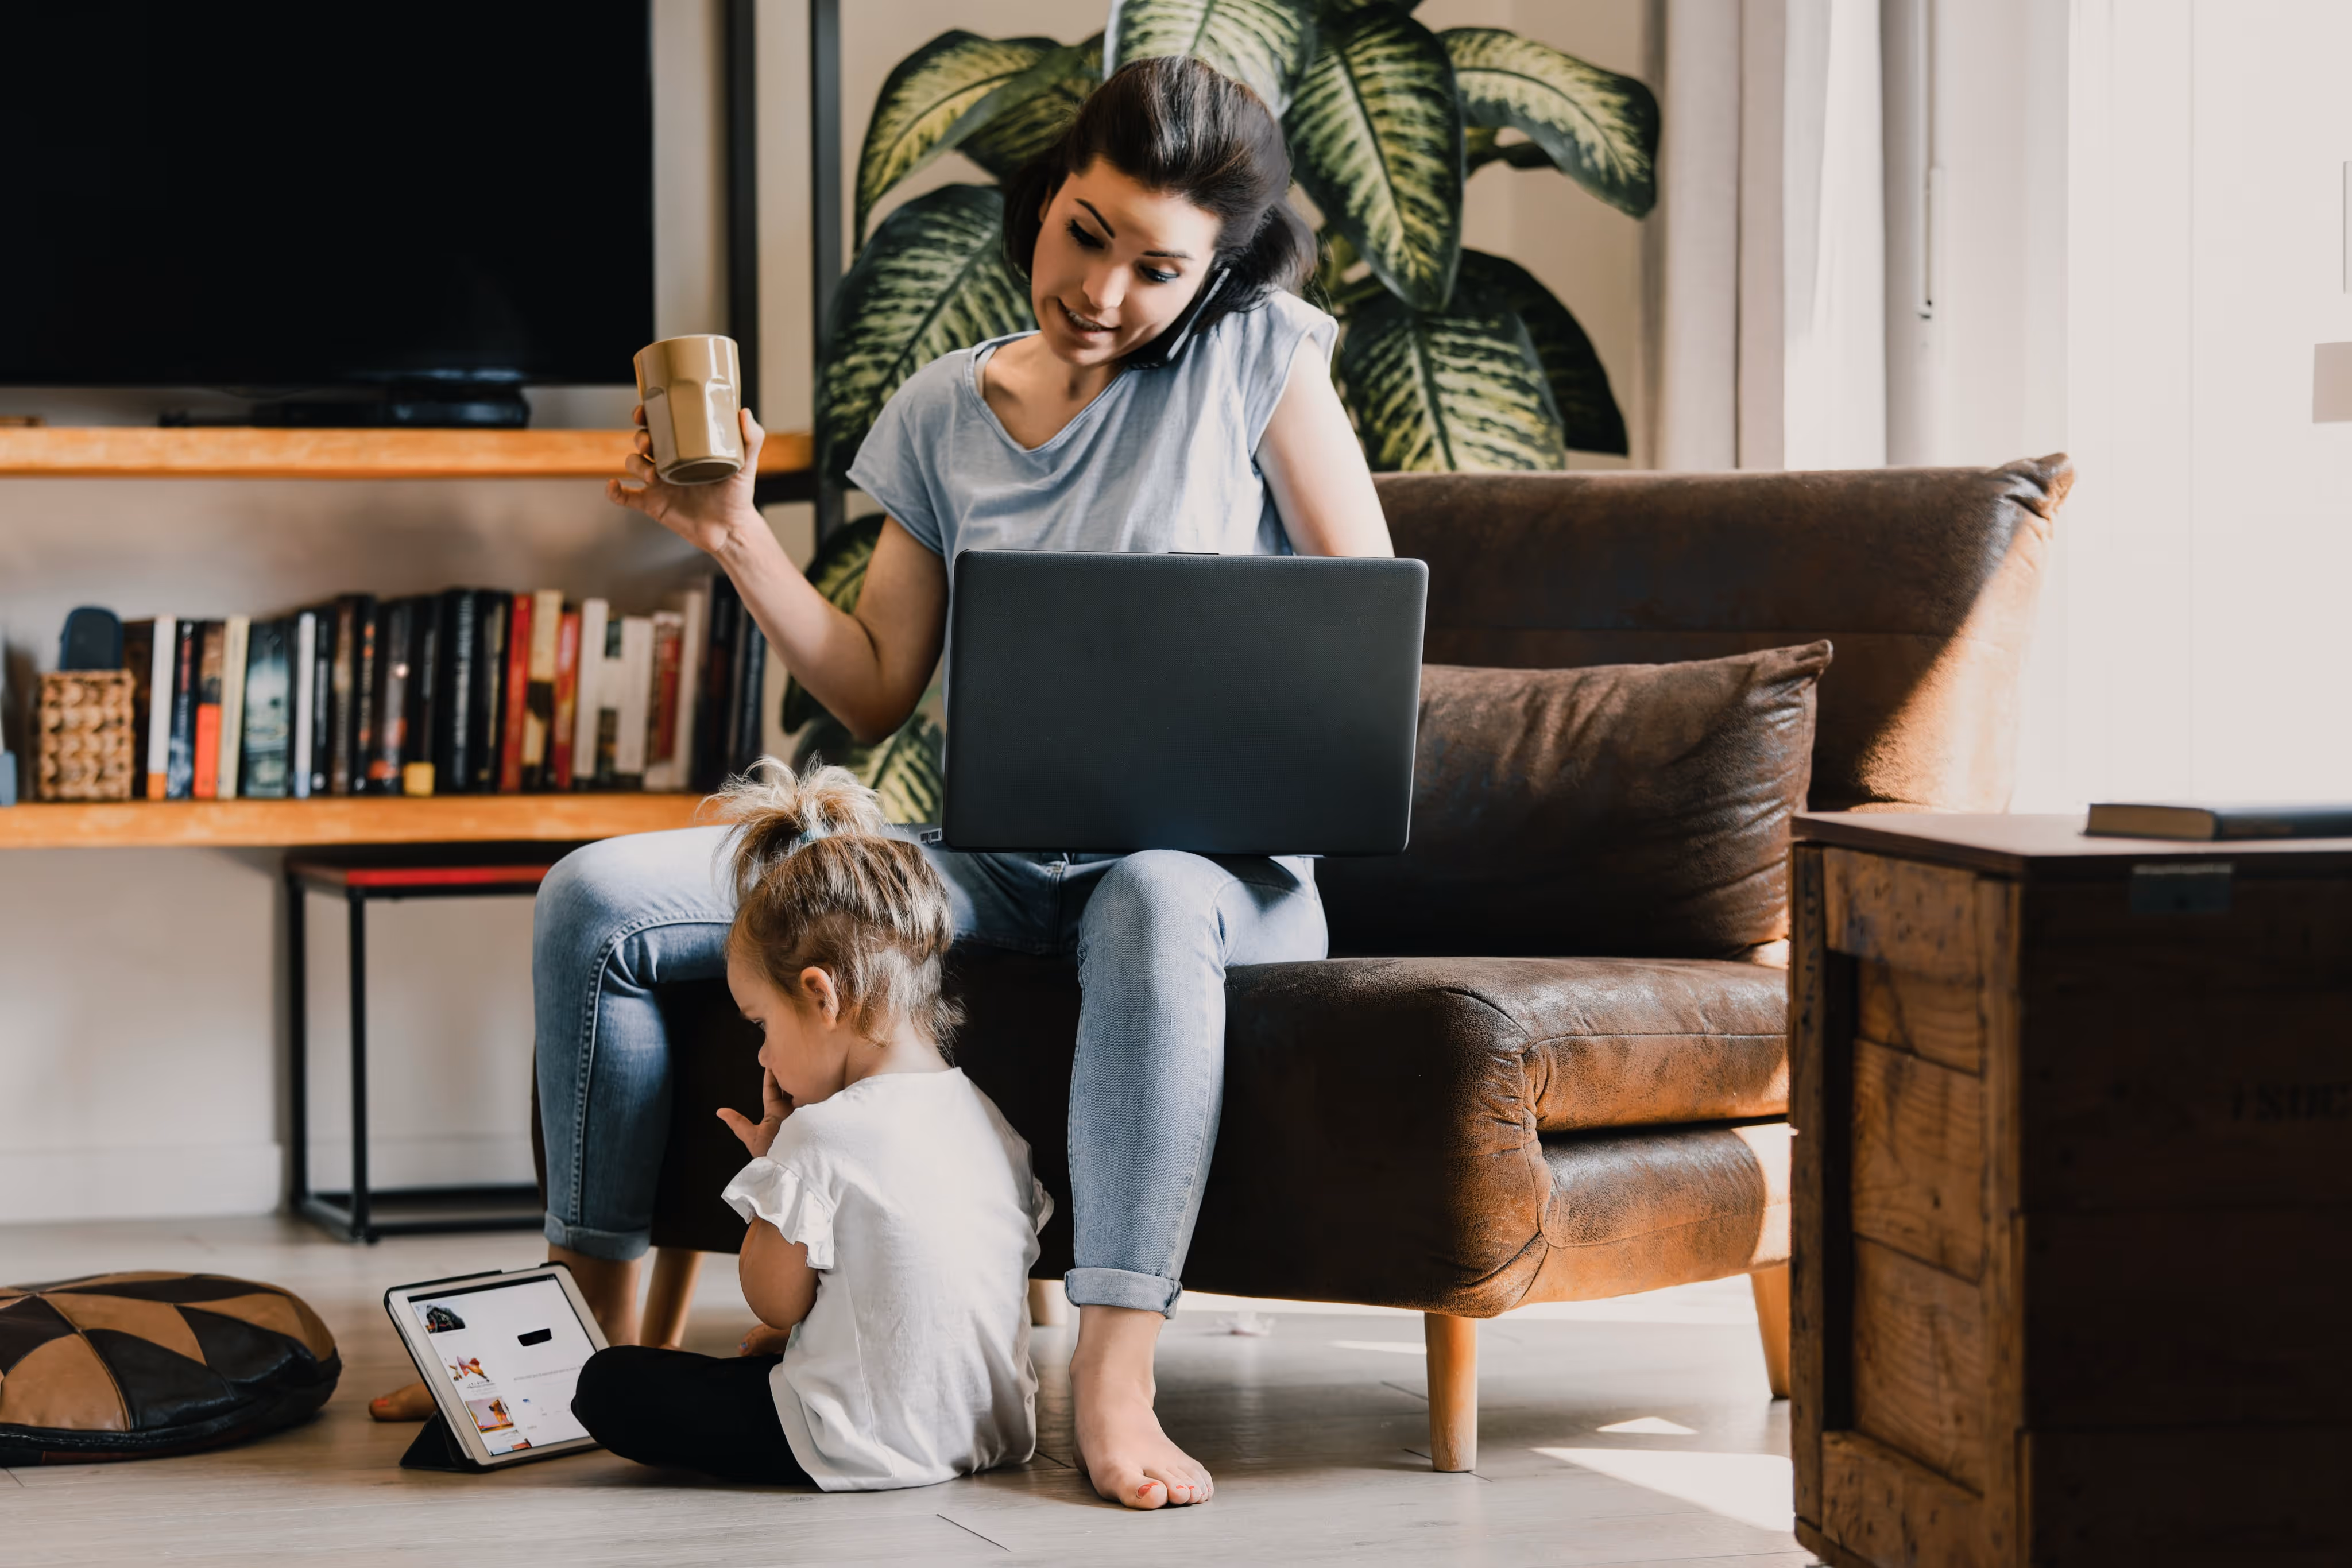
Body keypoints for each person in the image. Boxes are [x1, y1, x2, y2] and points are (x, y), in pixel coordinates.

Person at [376, 53, 1391, 1510]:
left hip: (1206, 878)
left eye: (1158, 268)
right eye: (1084, 232)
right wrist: (730, 531)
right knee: (598, 895)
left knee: (1153, 900)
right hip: (987, 852)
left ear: (1218, 272)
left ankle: (1115, 1371)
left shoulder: (1262, 358)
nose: (1103, 290)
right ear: (1046, 201)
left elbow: (1354, 630)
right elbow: (870, 686)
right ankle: (565, 1325)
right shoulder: (938, 409)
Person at [570, 761, 1049, 1488]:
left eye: (761, 1023)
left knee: (608, 1384)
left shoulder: (818, 1133)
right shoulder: (990, 1123)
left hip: (856, 1443)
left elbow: (774, 1298)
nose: (760, 1053)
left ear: (822, 995)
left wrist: (773, 1166)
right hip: (994, 1433)